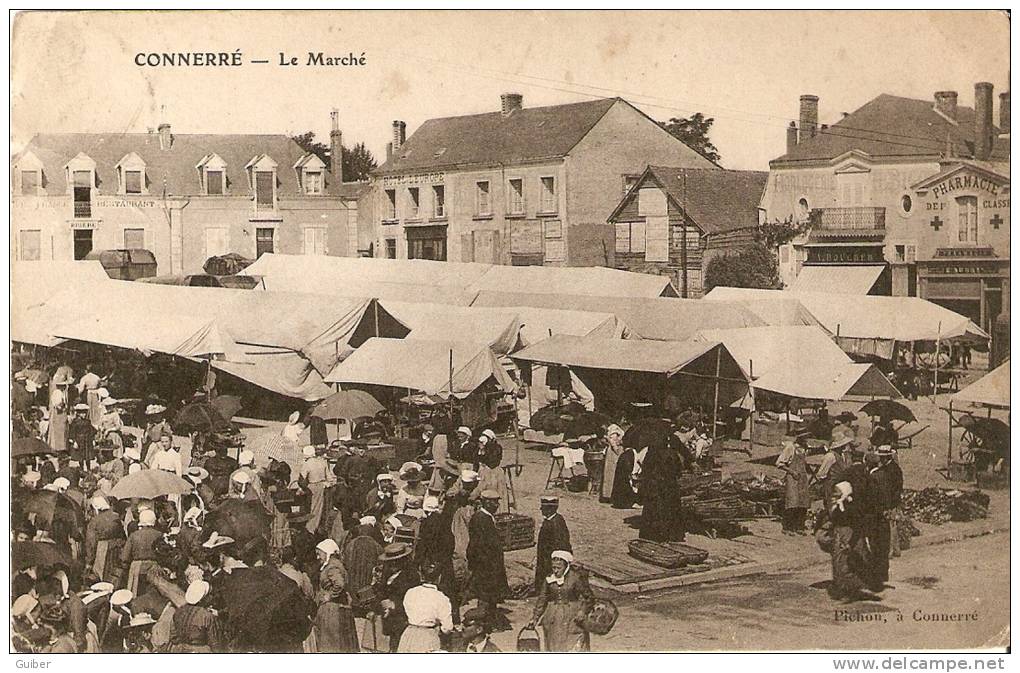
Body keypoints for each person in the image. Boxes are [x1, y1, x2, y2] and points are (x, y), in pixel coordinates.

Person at [531, 550, 594, 652]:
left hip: (572, 617)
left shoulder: (575, 578)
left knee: (573, 644)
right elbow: (542, 599)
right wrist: (534, 618)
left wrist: (582, 611)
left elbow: (589, 597)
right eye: (554, 568)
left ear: (566, 567)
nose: (555, 571)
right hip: (553, 618)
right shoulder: (549, 579)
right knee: (554, 645)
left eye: (558, 568)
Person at [467, 489, 510, 631]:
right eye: (494, 502)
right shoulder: (480, 519)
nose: (497, 505)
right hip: (486, 566)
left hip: (491, 565)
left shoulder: (487, 518)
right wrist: (484, 565)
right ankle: (482, 625)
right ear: (486, 502)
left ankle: (489, 622)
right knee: (485, 595)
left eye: (497, 501)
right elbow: (477, 546)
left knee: (490, 595)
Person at [866, 445, 904, 592]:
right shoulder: (889, 469)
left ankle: (877, 576)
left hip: (884, 508)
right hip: (886, 506)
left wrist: (891, 505)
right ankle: (883, 572)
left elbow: (895, 488)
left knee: (880, 541)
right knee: (885, 536)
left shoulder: (885, 472)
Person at [311, 539, 359, 653]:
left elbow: (339, 584)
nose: (318, 557)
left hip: (331, 609)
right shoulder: (335, 564)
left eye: (319, 554)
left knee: (331, 641)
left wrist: (330, 595)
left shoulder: (332, 567)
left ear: (327, 552)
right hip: (336, 606)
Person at [826, 481, 868, 601]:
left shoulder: (851, 506)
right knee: (839, 563)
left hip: (851, 537)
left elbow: (858, 525)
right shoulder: (837, 504)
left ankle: (851, 590)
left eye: (837, 493)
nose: (834, 495)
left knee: (850, 563)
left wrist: (851, 542)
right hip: (840, 536)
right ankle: (842, 588)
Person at [398, 561, 454, 652]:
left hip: (409, 633)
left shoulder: (411, 592)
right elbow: (447, 628)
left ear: (421, 576)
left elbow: (406, 611)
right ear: (439, 577)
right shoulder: (442, 598)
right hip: (428, 635)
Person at [374, 542, 419, 652]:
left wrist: (395, 605)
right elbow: (381, 591)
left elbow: (414, 600)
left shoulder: (411, 576)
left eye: (395, 562)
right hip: (390, 619)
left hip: (403, 618)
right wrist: (382, 603)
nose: (392, 565)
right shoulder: (387, 572)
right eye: (390, 563)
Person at [638, 436, 684, 542]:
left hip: (656, 486)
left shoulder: (652, 454)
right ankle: (673, 535)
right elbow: (679, 471)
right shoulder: (673, 453)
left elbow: (645, 469)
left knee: (655, 510)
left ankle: (654, 534)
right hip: (671, 486)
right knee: (671, 509)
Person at [169, 580, 225, 652]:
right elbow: (216, 644)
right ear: (202, 599)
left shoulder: (178, 612)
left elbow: (173, 637)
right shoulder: (207, 616)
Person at [120, 508, 162, 595]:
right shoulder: (159, 534)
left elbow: (125, 556)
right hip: (154, 566)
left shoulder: (134, 535)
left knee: (136, 593)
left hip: (137, 567)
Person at [535, 494, 572, 592]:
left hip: (551, 557)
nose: (542, 510)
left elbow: (560, 543)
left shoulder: (555, 523)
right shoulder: (552, 520)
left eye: (544, 508)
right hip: (546, 556)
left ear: (550, 509)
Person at [85, 495, 126, 581]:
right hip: (116, 550)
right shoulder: (116, 517)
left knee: (101, 577)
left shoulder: (94, 521)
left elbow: (91, 543)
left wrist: (89, 562)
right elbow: (123, 536)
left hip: (102, 551)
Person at [776, 438, 811, 535]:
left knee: (803, 501)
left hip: (802, 477)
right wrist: (792, 472)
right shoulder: (790, 447)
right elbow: (779, 464)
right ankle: (787, 527)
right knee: (792, 501)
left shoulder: (804, 449)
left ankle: (799, 526)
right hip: (792, 477)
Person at [298, 445, 333, 535]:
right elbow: (330, 478)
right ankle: (320, 527)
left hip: (312, 487)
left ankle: (310, 528)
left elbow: (301, 480)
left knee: (313, 508)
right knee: (322, 508)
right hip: (323, 486)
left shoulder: (307, 464)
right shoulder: (323, 462)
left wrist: (302, 488)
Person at [815, 435, 854, 510]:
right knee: (832, 506)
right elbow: (821, 474)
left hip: (841, 484)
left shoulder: (843, 455)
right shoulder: (830, 456)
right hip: (832, 484)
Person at [600, 424, 626, 503]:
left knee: (612, 473)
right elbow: (612, 441)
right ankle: (608, 495)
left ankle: (610, 494)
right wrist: (617, 449)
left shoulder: (616, 428)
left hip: (615, 451)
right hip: (613, 453)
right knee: (611, 473)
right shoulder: (614, 428)